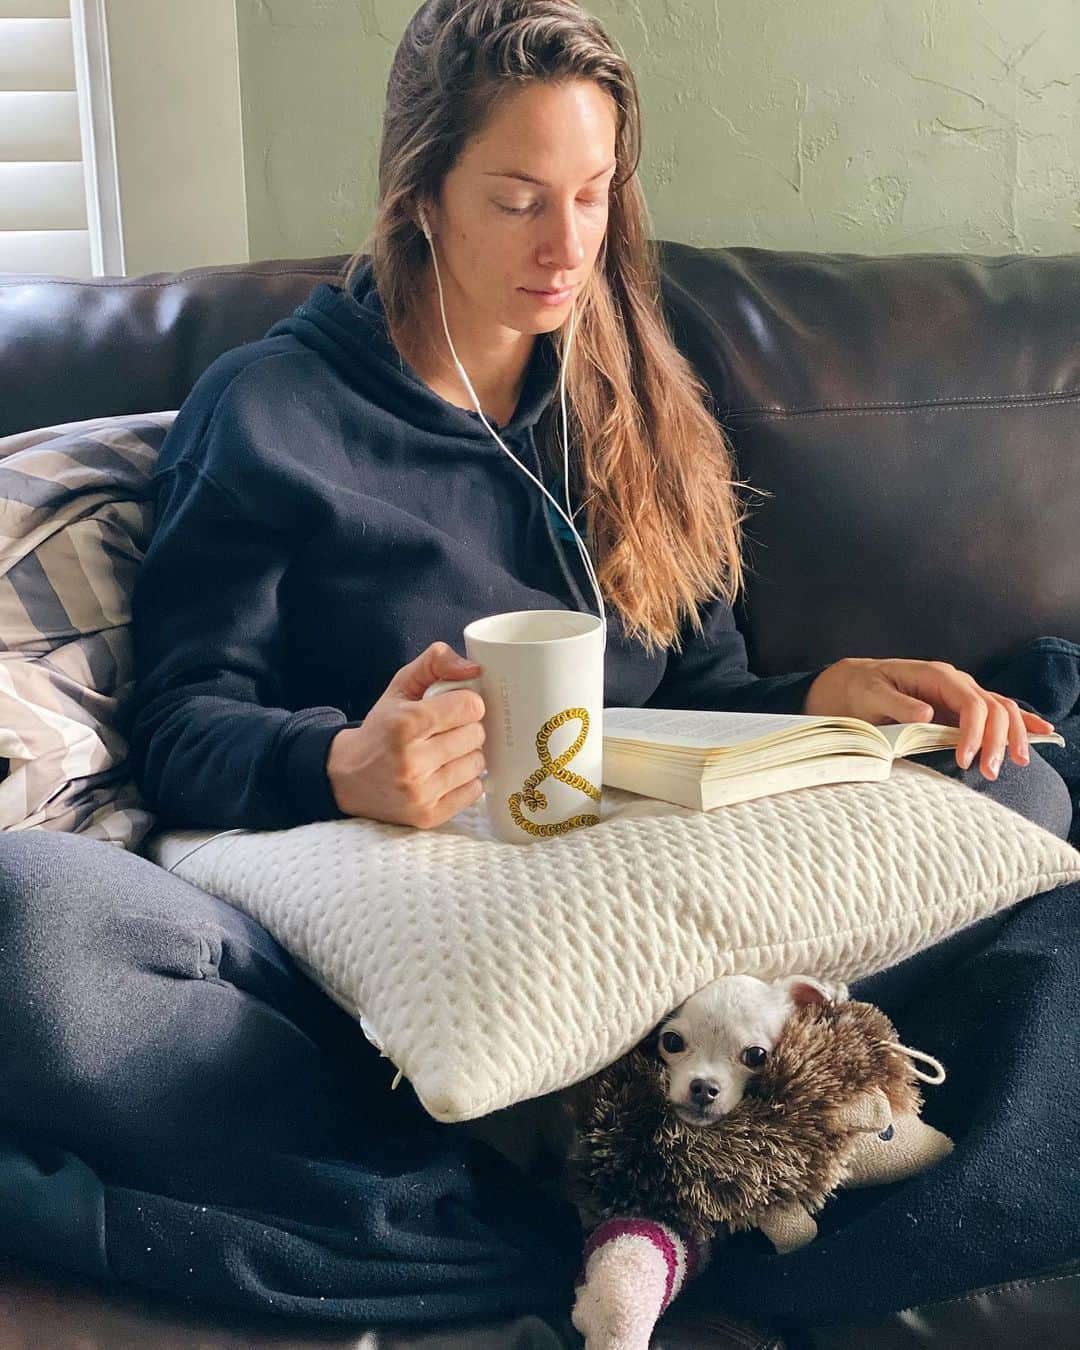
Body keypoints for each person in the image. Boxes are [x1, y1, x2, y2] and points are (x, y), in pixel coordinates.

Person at [1, 0, 1072, 1335]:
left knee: (1022, 787)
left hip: (651, 916)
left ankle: (621, 1152)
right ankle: (629, 1172)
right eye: (517, 200)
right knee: (33, 916)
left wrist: (821, 698)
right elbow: (179, 723)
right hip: (388, 948)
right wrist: (335, 761)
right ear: (420, 198)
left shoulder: (635, 393)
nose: (567, 247)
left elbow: (698, 703)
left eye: (592, 195)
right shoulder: (269, 412)